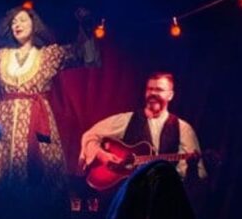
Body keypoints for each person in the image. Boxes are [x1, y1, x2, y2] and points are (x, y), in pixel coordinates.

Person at [0, 6, 99, 219]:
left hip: (39, 129)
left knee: (41, 189)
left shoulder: (48, 55)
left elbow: (86, 57)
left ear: (35, 25)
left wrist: (86, 28)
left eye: (23, 20)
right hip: (3, 132)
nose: (17, 24)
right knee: (1, 192)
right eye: (13, 22)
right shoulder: (0, 56)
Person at [79, 71, 207, 182]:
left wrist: (191, 167)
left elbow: (198, 175)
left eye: (159, 90)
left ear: (170, 95)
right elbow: (90, 135)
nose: (153, 93)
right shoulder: (127, 120)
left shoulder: (183, 129)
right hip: (130, 193)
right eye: (150, 89)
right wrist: (102, 155)